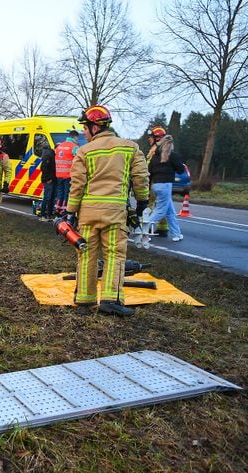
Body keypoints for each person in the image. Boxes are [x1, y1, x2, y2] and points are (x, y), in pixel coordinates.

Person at [65, 105, 149, 317]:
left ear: (94, 126)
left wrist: (70, 212)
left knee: (86, 255)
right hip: (115, 213)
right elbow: (140, 177)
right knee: (114, 255)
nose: (83, 132)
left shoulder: (84, 151)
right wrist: (141, 202)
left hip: (88, 214)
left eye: (85, 127)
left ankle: (85, 299)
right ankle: (111, 300)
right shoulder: (130, 148)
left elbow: (77, 184)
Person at [146, 126, 184, 242]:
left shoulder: (155, 156)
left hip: (155, 185)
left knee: (170, 211)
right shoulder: (172, 156)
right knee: (160, 211)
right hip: (166, 185)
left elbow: (149, 170)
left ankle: (177, 234)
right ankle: (144, 231)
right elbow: (180, 170)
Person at [54, 130, 80, 215]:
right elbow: (78, 160)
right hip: (68, 175)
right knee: (67, 193)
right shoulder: (74, 147)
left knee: (60, 193)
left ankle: (57, 208)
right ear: (74, 137)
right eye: (77, 138)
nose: (78, 140)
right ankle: (64, 210)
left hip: (59, 174)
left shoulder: (60, 146)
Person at [39, 144, 56, 221]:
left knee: (49, 197)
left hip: (51, 179)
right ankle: (44, 215)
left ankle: (48, 215)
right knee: (48, 197)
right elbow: (43, 168)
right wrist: (48, 179)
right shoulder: (49, 155)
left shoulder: (48, 155)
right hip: (49, 180)